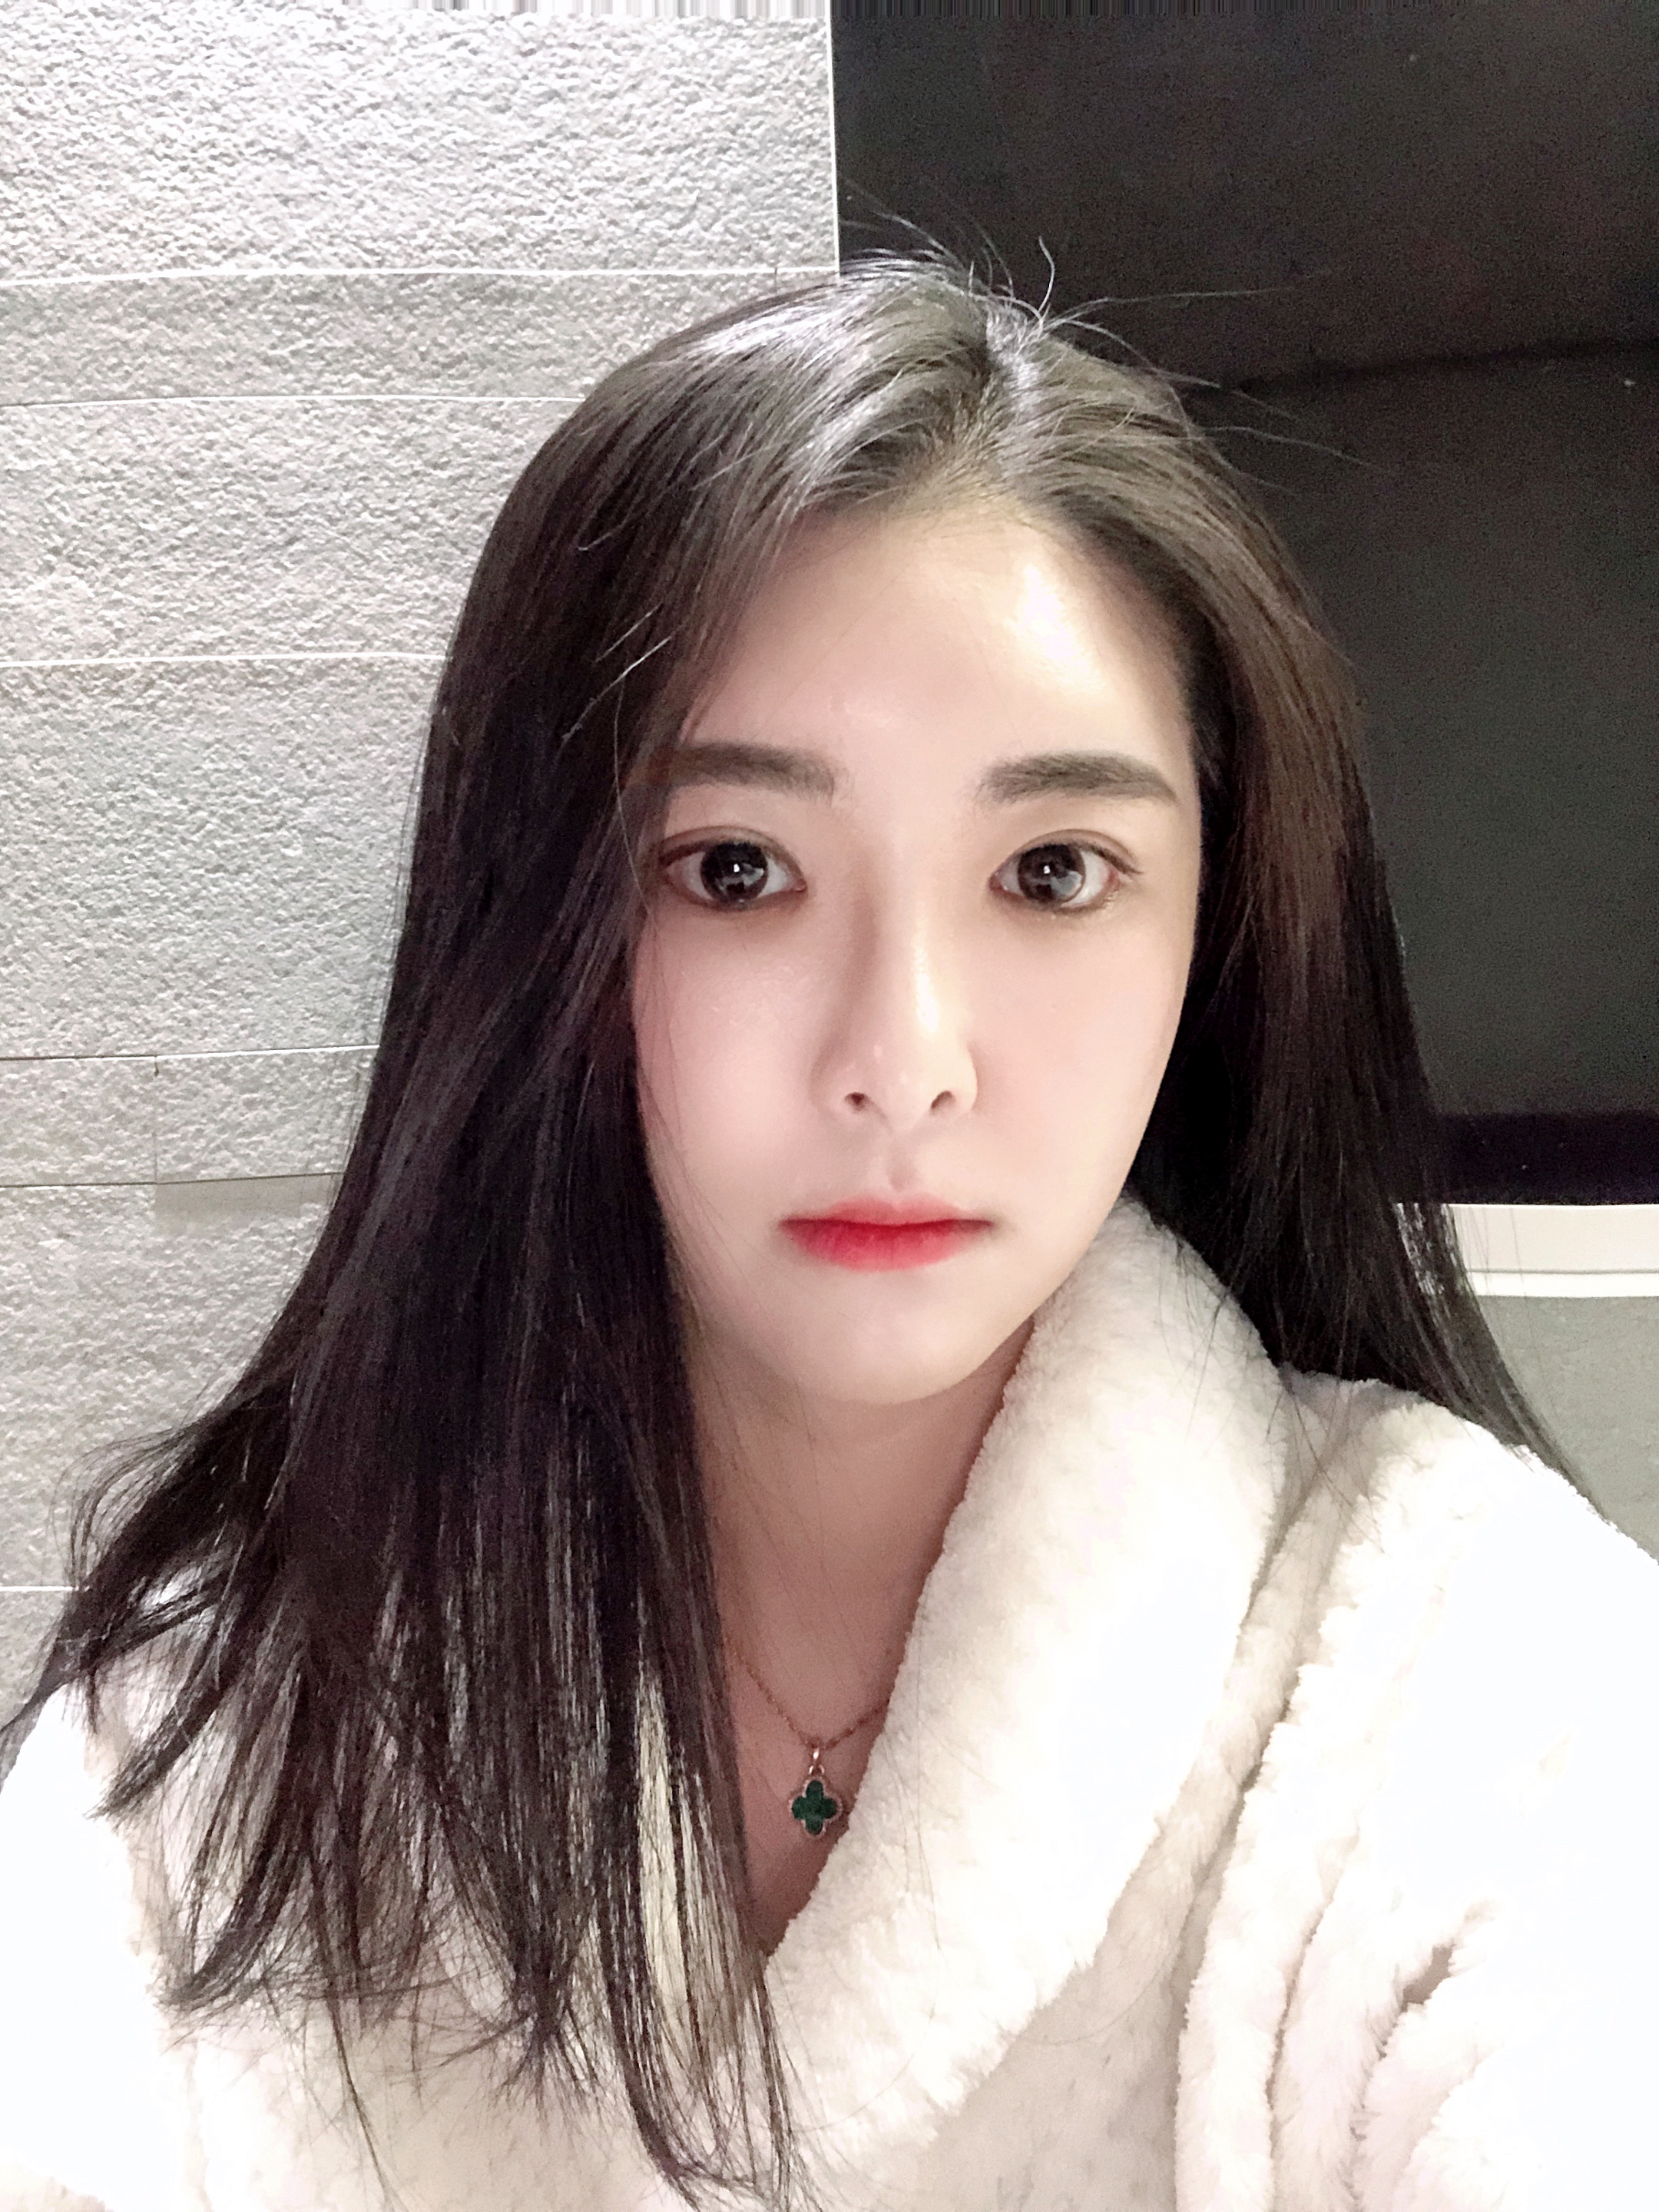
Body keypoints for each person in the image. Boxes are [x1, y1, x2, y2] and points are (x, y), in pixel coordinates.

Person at [0, 257, 1654, 2212]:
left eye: (1055, 872)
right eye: (737, 869)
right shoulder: (218, 1742)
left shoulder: (1482, 1687)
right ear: (545, 939)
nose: (902, 1062)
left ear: (1216, 930)